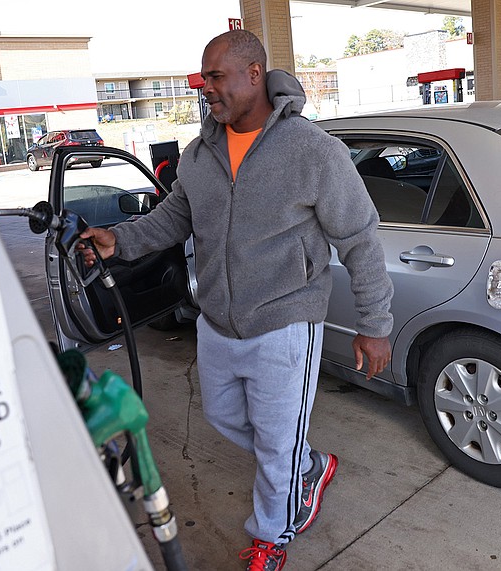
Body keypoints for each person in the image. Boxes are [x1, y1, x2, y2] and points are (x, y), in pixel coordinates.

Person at [79, 29, 393, 571]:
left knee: (274, 444)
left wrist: (375, 322)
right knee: (224, 418)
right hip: (218, 320)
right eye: (204, 78)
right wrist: (120, 241)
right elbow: (176, 217)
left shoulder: (312, 150)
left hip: (286, 321)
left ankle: (272, 536)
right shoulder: (200, 154)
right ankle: (307, 464)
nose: (206, 88)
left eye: (216, 76)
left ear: (254, 74)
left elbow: (360, 237)